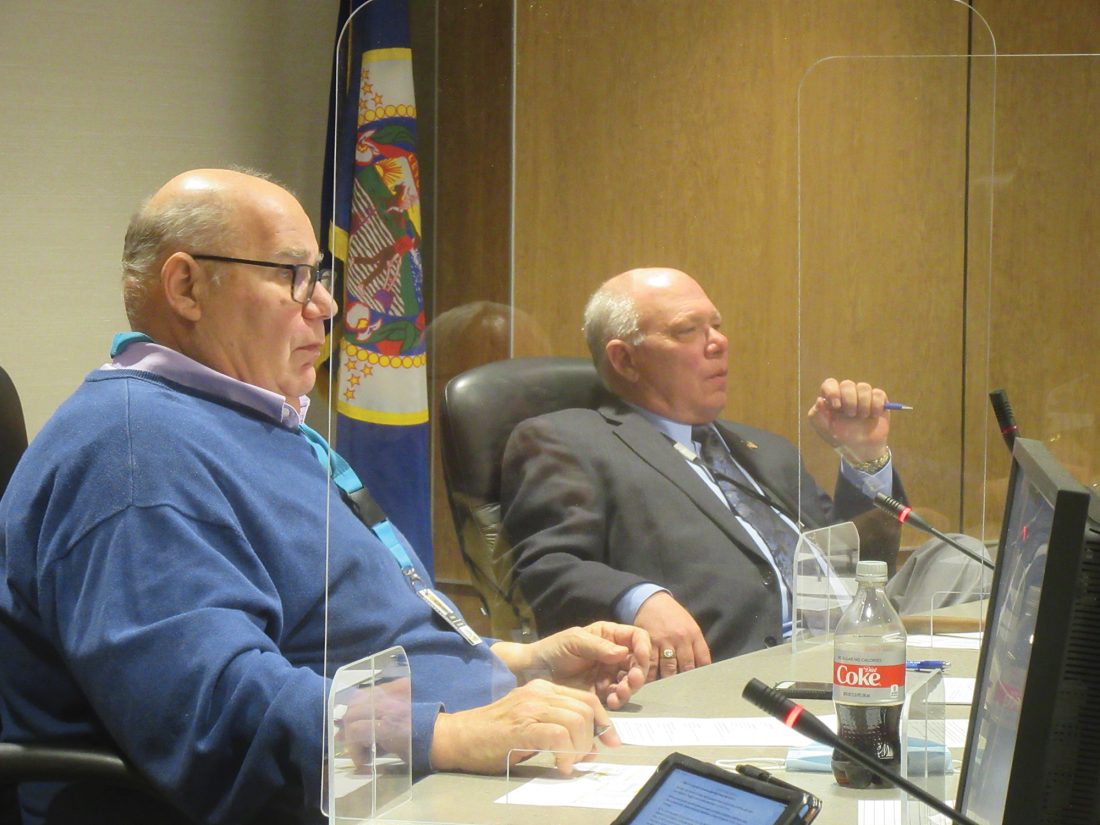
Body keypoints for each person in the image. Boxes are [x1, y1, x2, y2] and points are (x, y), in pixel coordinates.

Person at [0, 169, 649, 825]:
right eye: (293, 274)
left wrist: (516, 663)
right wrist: (447, 735)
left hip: (428, 775)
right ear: (187, 287)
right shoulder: (133, 452)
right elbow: (209, 707)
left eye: (319, 275)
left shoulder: (250, 421)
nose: (327, 305)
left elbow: (344, 634)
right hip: (357, 797)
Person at [499, 267, 903, 674]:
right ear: (625, 359)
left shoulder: (769, 451)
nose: (719, 342)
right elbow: (544, 568)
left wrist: (864, 456)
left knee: (943, 561)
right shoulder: (570, 441)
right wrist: (641, 598)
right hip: (733, 674)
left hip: (856, 657)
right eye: (687, 330)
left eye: (716, 326)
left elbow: (862, 567)